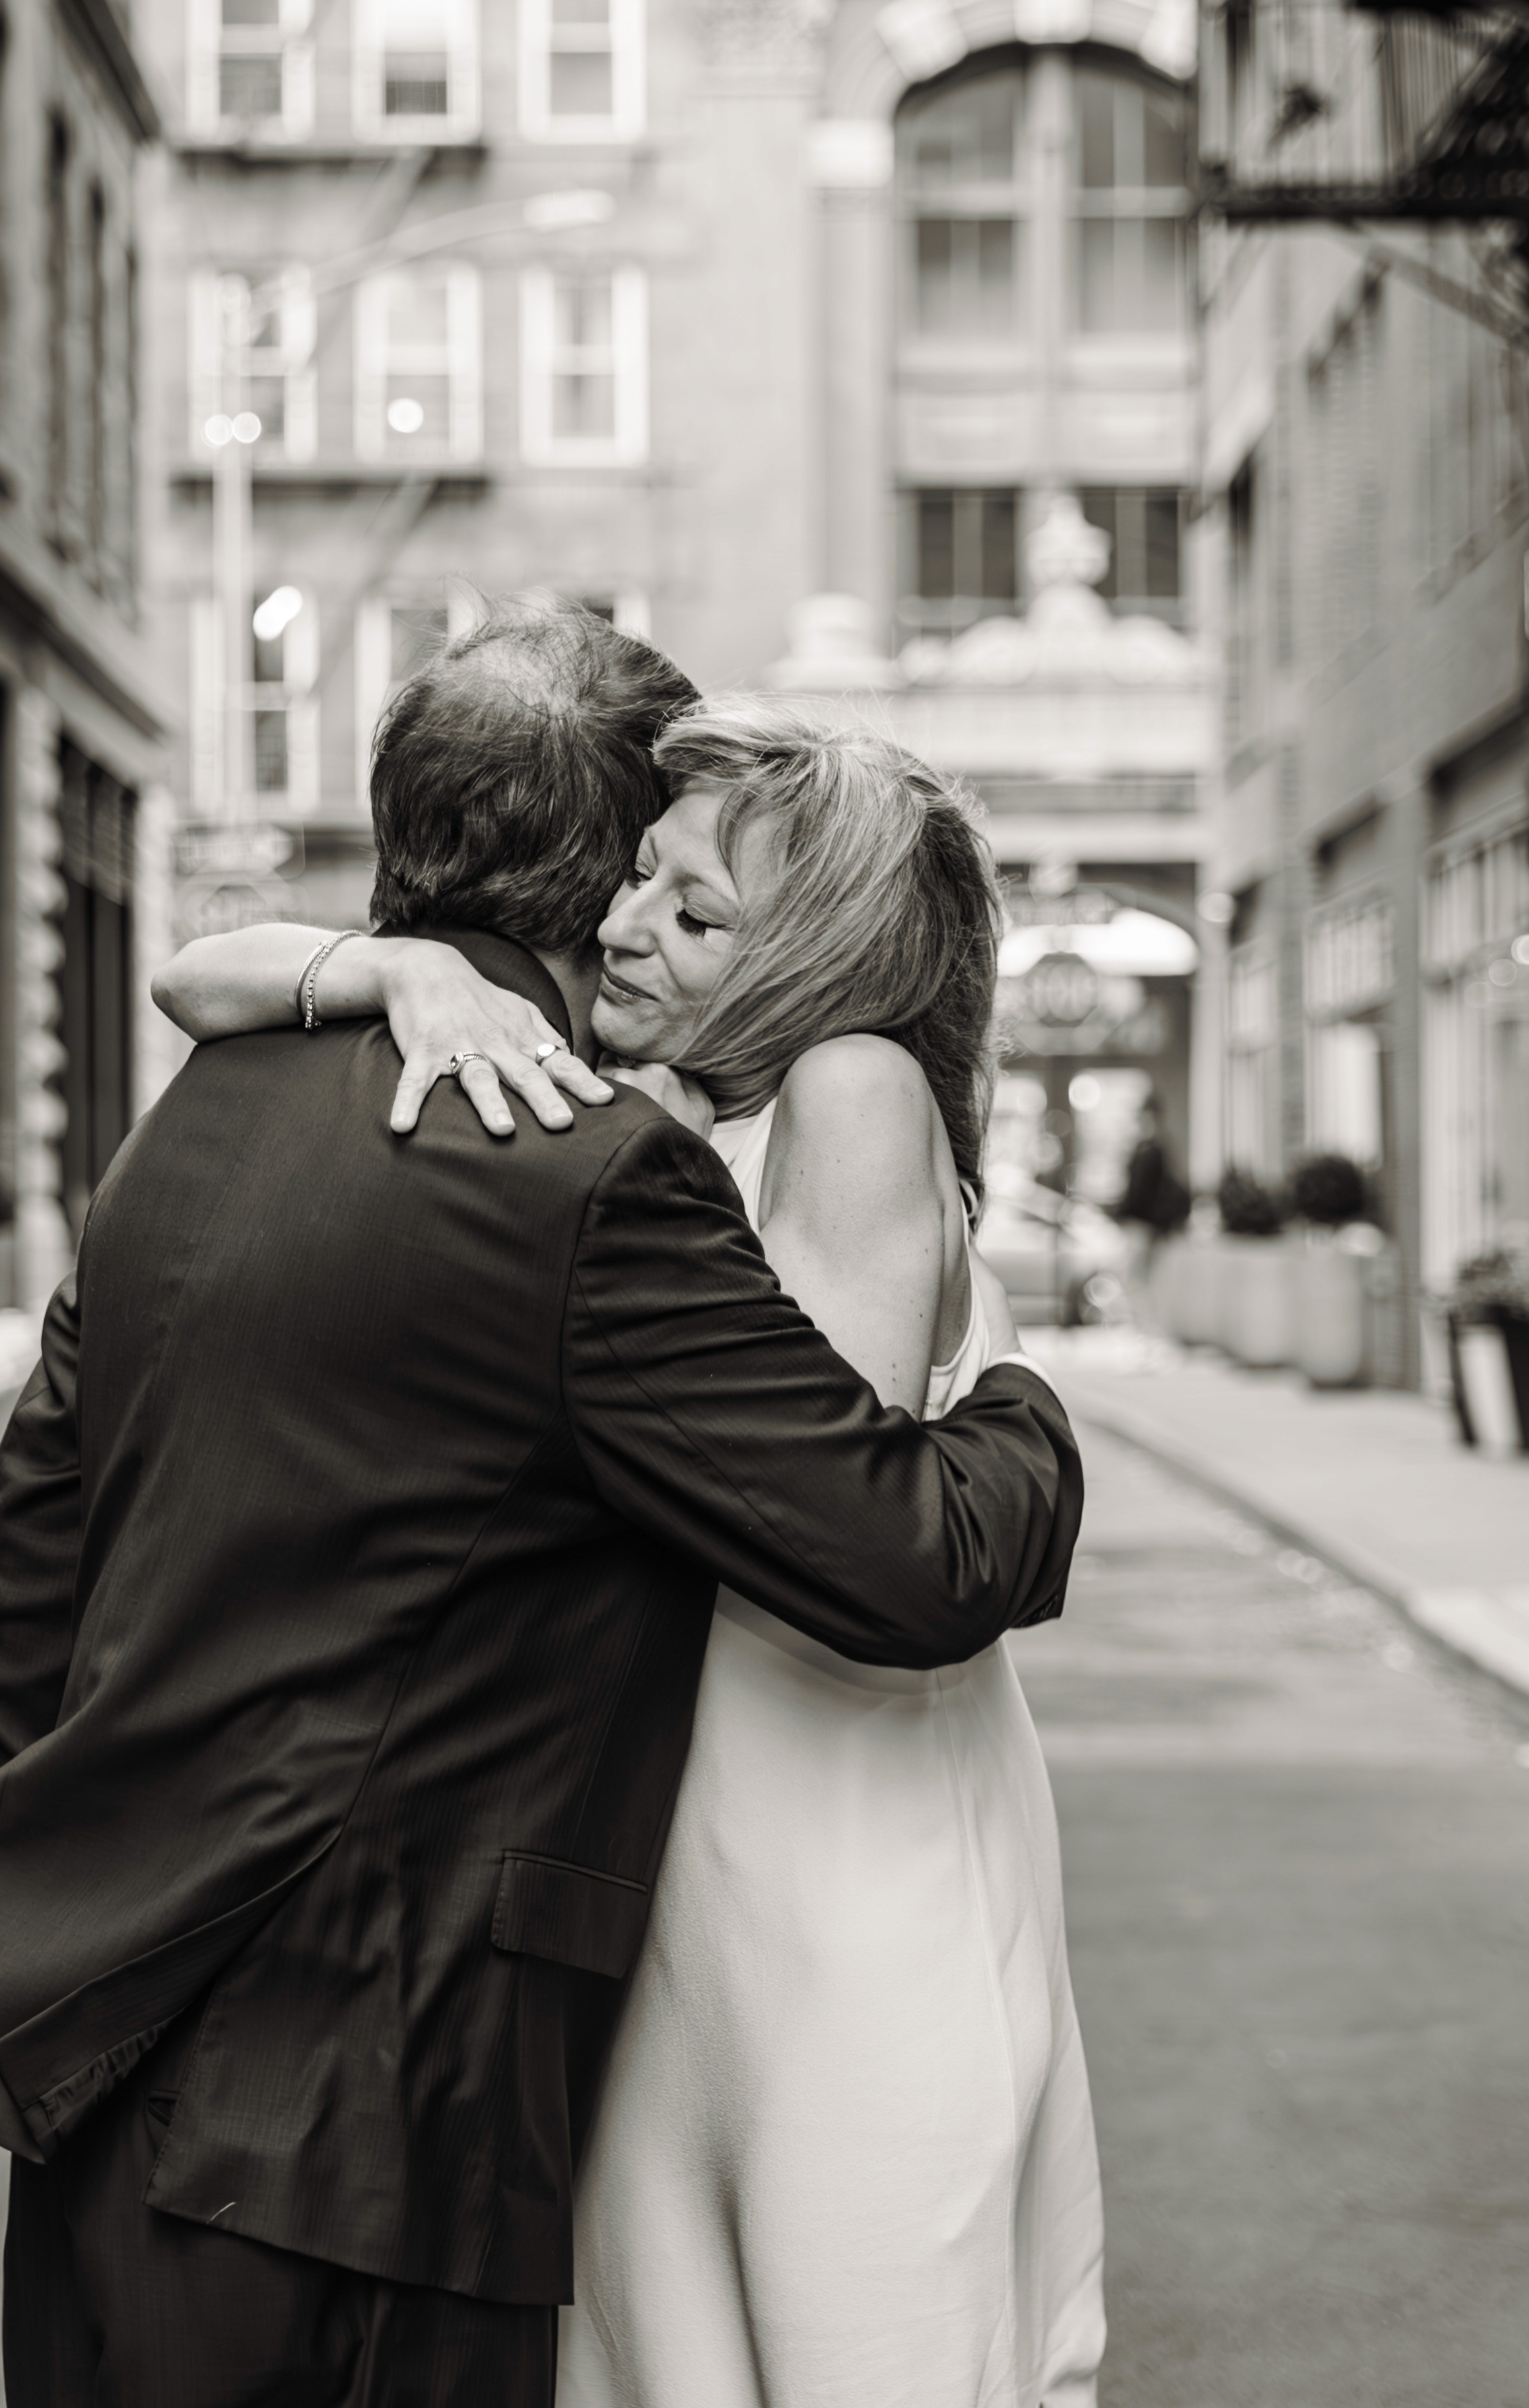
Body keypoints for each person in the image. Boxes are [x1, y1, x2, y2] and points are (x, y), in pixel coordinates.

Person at [0, 603, 1087, 2408]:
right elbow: (899, 1550)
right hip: (375, 2128)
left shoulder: (203, 1110)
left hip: (101, 2077)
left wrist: (95, 1874)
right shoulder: (588, 1174)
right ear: (604, 875)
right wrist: (1030, 1407)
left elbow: (30, 1560)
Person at [155, 696, 1108, 2408]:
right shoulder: (670, 1101)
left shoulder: (851, 1084)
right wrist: (391, 973)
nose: (623, 924)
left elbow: (832, 1519)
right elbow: (196, 975)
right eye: (639, 884)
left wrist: (1025, 1401)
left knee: (849, 2325)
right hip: (707, 1829)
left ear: (817, 946)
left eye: (695, 909)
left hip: (831, 1843)